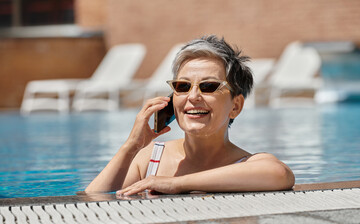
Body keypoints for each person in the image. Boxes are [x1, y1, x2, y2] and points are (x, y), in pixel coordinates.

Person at [85, 35, 295, 196]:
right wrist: (131, 146)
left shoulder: (247, 164)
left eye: (209, 86)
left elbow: (280, 174)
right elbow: (92, 200)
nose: (193, 96)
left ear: (236, 106)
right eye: (183, 86)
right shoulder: (150, 159)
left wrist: (175, 183)